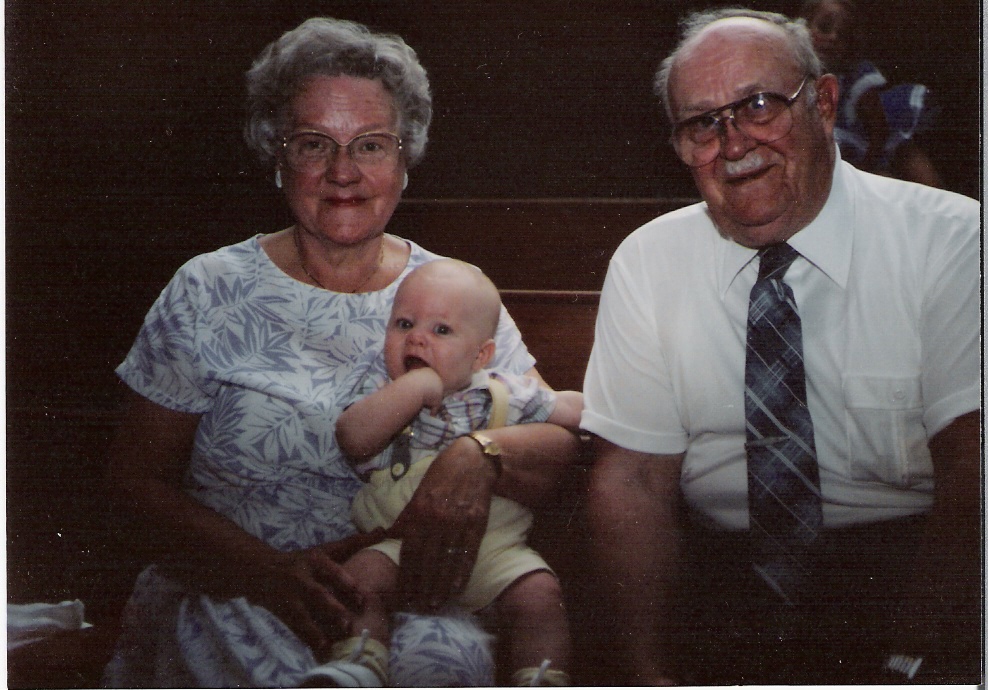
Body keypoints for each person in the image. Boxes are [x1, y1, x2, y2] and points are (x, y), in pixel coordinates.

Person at [102, 17, 580, 688]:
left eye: (372, 145)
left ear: (406, 159)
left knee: (451, 664)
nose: (343, 172)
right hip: (238, 588)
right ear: (276, 154)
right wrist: (265, 572)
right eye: (313, 143)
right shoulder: (209, 287)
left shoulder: (452, 293)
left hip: (412, 592)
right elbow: (132, 485)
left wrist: (480, 456)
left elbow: (556, 438)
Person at [582, 7, 980, 686]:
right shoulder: (649, 261)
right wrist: (649, 677)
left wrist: (909, 665)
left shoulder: (951, 240)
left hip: (911, 573)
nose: (734, 144)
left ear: (824, 105)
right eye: (702, 123)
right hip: (722, 585)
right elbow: (633, 482)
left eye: (759, 105)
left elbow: (975, 467)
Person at [308, 259, 581, 686]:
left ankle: (541, 676)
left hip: (496, 551)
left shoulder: (503, 389)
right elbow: (352, 438)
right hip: (401, 547)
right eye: (403, 323)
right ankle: (358, 662)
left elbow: (573, 412)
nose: (416, 337)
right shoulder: (383, 394)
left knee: (541, 595)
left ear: (481, 354)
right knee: (361, 579)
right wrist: (415, 388)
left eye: (441, 330)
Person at [799, 0, 943, 187]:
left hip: (869, 148)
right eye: (825, 28)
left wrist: (866, 168)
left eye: (843, 35)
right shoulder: (795, 74)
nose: (833, 37)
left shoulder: (855, 78)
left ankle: (947, 204)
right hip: (828, 158)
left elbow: (879, 131)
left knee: (902, 166)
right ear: (802, 27)